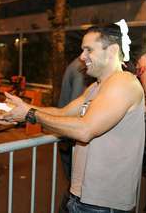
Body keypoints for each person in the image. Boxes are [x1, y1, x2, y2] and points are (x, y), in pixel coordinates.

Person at [3, 20, 145, 213]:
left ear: (111, 51)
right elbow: (63, 113)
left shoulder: (123, 83)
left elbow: (85, 130)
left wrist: (31, 114)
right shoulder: (96, 87)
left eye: (88, 50)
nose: (82, 56)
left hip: (102, 203)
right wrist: (25, 108)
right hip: (78, 195)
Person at [57, 57, 91, 213]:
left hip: (68, 133)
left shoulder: (77, 66)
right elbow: (78, 108)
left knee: (75, 185)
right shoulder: (81, 69)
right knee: (76, 187)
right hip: (71, 137)